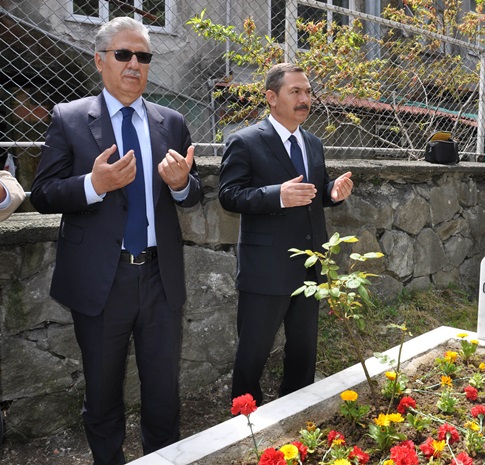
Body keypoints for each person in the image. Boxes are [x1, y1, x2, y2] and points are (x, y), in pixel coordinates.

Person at [30, 17, 201, 465]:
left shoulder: (172, 122)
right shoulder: (70, 118)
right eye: (123, 54)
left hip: (160, 277)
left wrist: (181, 184)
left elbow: (193, 193)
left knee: (163, 390)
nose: (134, 64)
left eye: (143, 56)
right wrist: (94, 184)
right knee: (103, 392)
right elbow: (43, 194)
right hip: (101, 281)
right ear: (99, 60)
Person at [219, 63, 354, 406]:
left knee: (304, 351)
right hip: (265, 269)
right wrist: (276, 195)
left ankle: (296, 412)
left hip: (310, 266)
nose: (304, 98)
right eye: (295, 91)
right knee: (252, 353)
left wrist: (332, 193)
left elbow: (314, 192)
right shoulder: (245, 141)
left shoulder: (313, 143)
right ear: (271, 97)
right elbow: (229, 195)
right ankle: (244, 420)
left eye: (307, 91)